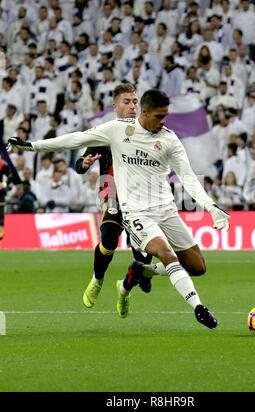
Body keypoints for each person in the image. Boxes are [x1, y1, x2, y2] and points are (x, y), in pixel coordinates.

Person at [7, 89, 230, 329]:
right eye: (159, 116)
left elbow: (188, 177)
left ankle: (143, 272)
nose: (163, 121)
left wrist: (211, 206)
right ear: (144, 112)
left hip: (166, 210)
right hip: (135, 211)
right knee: (160, 253)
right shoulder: (117, 130)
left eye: (166, 116)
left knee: (198, 267)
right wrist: (31, 146)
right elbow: (77, 138)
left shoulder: (169, 139)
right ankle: (198, 307)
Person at [75, 83, 153, 310]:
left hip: (141, 195)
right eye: (127, 102)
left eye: (135, 102)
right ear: (115, 106)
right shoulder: (104, 132)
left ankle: (125, 289)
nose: (132, 107)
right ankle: (97, 279)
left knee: (143, 255)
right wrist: (85, 163)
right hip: (112, 191)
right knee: (109, 238)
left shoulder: (146, 131)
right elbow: (79, 165)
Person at [0, 156, 11, 239]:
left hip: (0, 194)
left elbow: (9, 177)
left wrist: (3, 184)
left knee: (1, 213)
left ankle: (1, 232)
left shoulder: (3, 165)